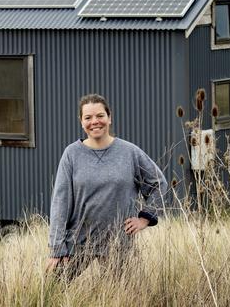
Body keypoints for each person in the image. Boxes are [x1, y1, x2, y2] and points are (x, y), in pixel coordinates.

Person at [46, 93, 168, 280]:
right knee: (53, 289)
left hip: (117, 243)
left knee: (119, 296)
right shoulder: (71, 154)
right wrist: (56, 248)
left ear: (109, 118)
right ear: (81, 122)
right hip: (78, 241)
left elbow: (158, 183)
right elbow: (60, 203)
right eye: (88, 117)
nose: (95, 121)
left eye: (100, 116)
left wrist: (145, 218)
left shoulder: (129, 152)